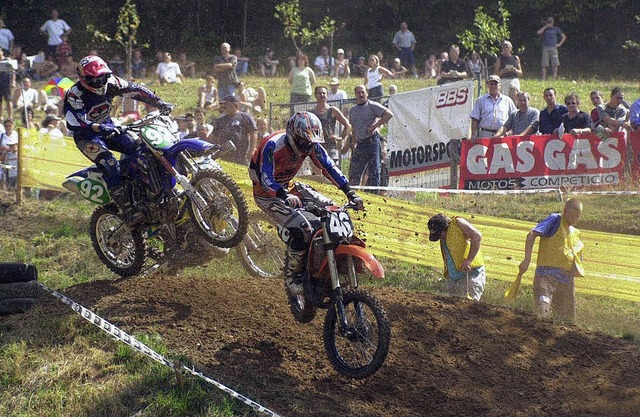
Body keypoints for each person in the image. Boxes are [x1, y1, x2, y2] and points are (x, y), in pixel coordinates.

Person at [248, 111, 364, 295]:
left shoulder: (310, 145)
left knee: (333, 209)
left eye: (310, 142)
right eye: (304, 142)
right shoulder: (273, 145)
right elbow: (265, 178)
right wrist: (283, 195)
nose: (307, 147)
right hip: (267, 194)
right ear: (293, 135)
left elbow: (328, 166)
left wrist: (350, 193)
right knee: (304, 227)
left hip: (290, 186)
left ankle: (329, 258)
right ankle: (292, 275)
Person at [63, 55, 172, 226]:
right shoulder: (75, 94)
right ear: (84, 79)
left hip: (110, 128)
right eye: (94, 79)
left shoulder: (112, 82)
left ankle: (148, 191)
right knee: (110, 163)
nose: (100, 82)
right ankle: (127, 209)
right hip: (87, 136)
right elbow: (74, 121)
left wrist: (158, 102)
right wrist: (98, 127)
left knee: (140, 147)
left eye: (102, 77)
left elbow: (136, 90)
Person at [518, 198, 584, 322]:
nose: (575, 219)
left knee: (567, 319)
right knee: (542, 309)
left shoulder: (576, 233)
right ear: (565, 211)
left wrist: (578, 267)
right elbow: (532, 234)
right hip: (546, 274)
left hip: (566, 278)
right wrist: (527, 259)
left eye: (577, 216)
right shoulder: (555, 220)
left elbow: (578, 255)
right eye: (572, 215)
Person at [427, 213, 486, 301]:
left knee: (467, 307)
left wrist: (469, 260)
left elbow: (477, 236)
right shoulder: (443, 238)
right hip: (454, 277)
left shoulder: (457, 223)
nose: (440, 238)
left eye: (441, 234)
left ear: (446, 227)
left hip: (470, 275)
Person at [348, 85, 394, 194]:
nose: (360, 94)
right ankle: (352, 195)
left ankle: (374, 198)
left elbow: (389, 114)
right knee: (355, 172)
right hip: (360, 144)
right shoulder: (353, 110)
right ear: (355, 94)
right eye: (358, 92)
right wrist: (353, 143)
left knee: (374, 172)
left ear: (367, 93)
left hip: (372, 142)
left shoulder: (372, 106)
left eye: (362, 92)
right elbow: (353, 127)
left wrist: (375, 126)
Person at [210, 95, 257, 165]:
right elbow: (214, 136)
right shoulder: (220, 120)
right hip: (224, 155)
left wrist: (252, 150)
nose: (224, 106)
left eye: (226, 104)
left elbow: (253, 133)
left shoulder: (245, 117)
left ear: (234, 104)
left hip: (241, 154)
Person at [310, 85, 351, 164]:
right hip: (317, 146)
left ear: (327, 95)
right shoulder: (311, 112)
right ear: (315, 95)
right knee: (317, 171)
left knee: (332, 170)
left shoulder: (332, 110)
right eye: (319, 93)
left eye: (324, 93)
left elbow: (347, 125)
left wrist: (340, 138)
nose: (322, 95)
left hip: (331, 146)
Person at [0, 49, 15, 119]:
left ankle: (10, 116)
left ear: (2, 52)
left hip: (6, 83)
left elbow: (13, 71)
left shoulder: (7, 60)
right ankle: (0, 116)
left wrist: (13, 81)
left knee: (8, 100)